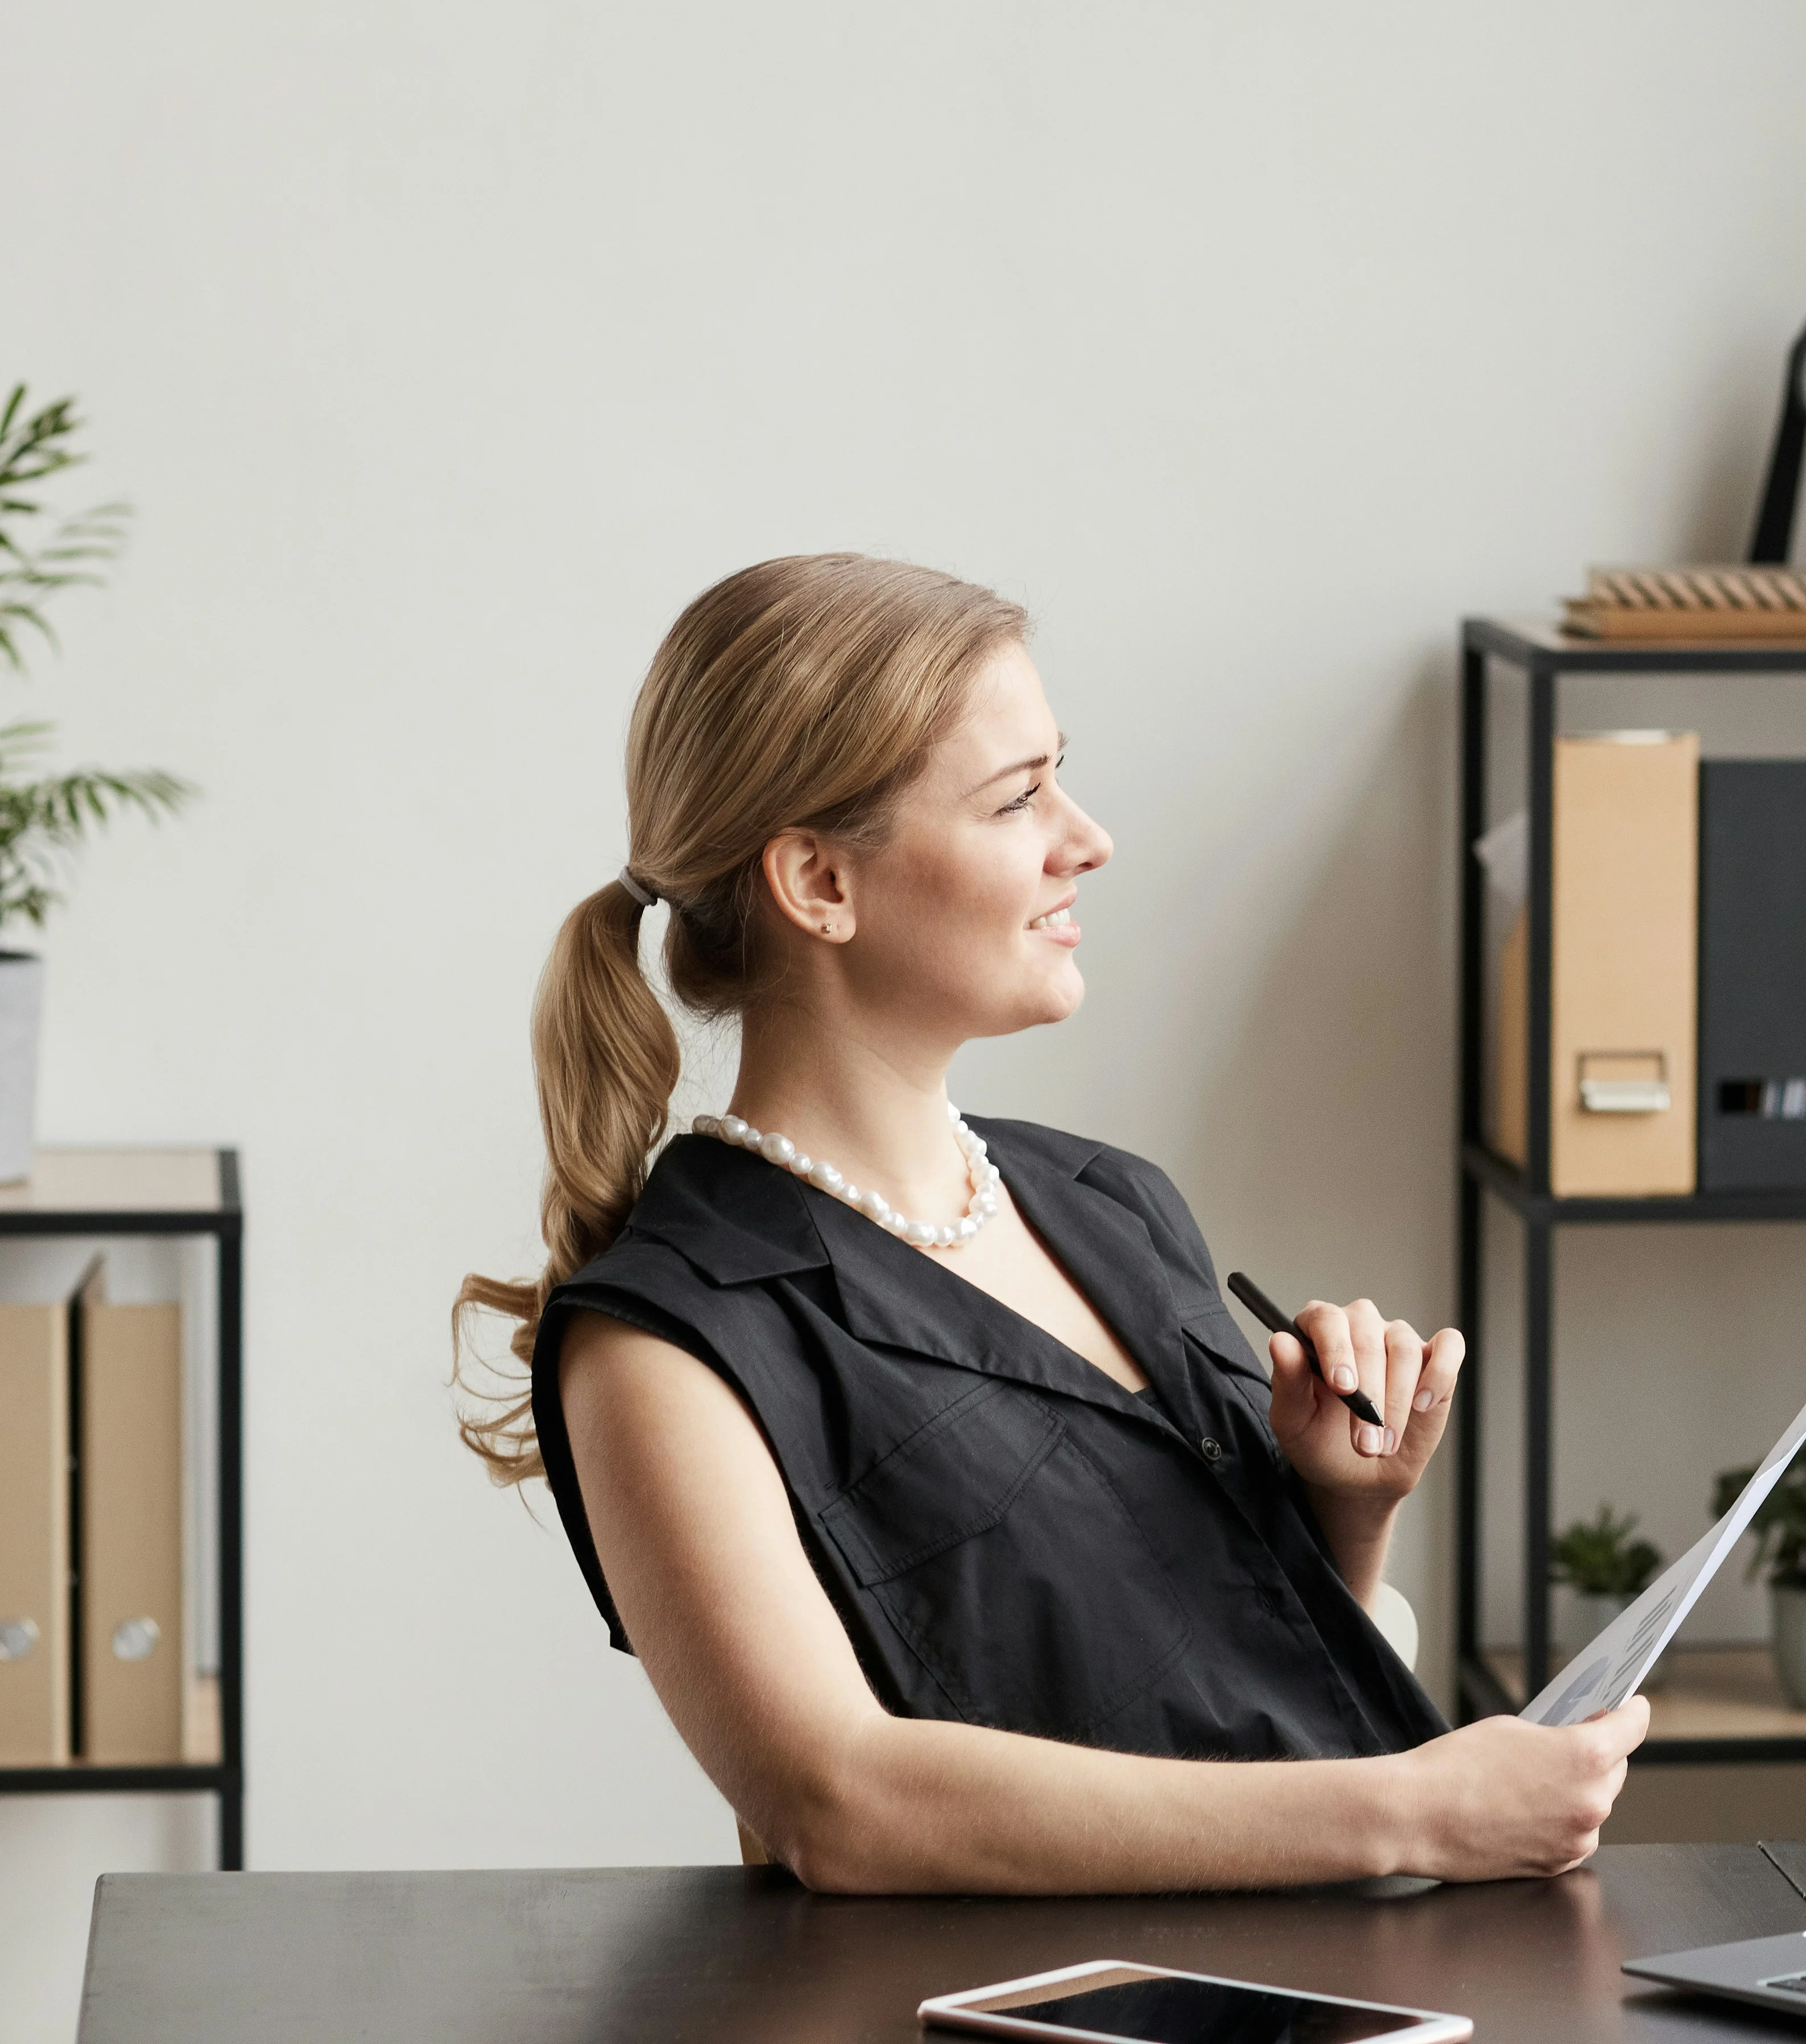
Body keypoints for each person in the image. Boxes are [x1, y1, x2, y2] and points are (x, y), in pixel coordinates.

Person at [454, 552, 1647, 1889]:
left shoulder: (1111, 1200)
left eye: (1058, 775)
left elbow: (1224, 1692)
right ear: (818, 884)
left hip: (1339, 1978)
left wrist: (1342, 1514)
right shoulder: (667, 1341)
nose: (1086, 837)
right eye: (1019, 796)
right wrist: (1417, 1811)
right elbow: (839, 1801)